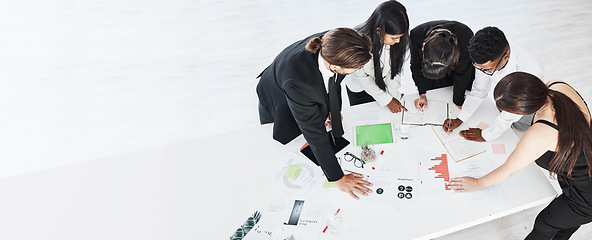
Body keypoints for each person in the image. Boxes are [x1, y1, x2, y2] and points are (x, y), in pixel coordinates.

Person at [450, 72, 592, 239]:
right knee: (564, 223)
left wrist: (476, 183)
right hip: (583, 173)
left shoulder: (540, 133)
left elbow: (508, 170)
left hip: (585, 197)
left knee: (544, 223)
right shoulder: (557, 85)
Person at [256, 28, 374, 199]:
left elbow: (335, 82)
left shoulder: (336, 43)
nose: (359, 69)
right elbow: (314, 133)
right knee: (283, 142)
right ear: (334, 66)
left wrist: (334, 111)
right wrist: (337, 177)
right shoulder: (299, 84)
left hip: (298, 81)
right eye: (356, 68)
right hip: (276, 95)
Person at [443, 26, 544, 142]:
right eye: (478, 68)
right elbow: (480, 89)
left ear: (506, 57)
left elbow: (511, 114)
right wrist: (461, 118)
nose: (483, 72)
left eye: (487, 70)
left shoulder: (532, 71)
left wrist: (486, 135)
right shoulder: (486, 60)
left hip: (527, 109)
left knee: (514, 137)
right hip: (504, 101)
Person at [344, 0, 409, 113]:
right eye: (394, 38)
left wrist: (393, 94)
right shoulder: (356, 42)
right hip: (360, 88)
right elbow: (363, 78)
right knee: (366, 118)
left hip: (382, 84)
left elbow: (394, 69)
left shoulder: (396, 39)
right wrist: (387, 100)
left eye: (400, 37)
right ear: (379, 31)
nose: (398, 41)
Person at [409, 20, 474, 110]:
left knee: (466, 88)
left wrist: (458, 102)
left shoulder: (465, 38)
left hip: (461, 63)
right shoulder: (415, 35)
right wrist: (422, 94)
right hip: (435, 62)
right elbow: (415, 66)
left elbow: (463, 72)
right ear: (423, 46)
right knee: (434, 92)